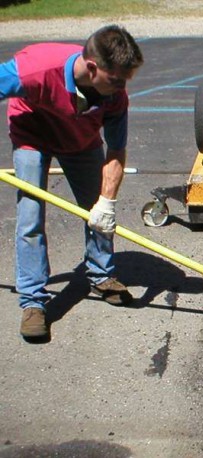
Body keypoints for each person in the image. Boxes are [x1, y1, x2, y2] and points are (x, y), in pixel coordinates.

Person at [0, 25, 144, 340]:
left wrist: (107, 203)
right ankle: (34, 302)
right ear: (92, 68)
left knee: (97, 209)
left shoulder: (115, 97)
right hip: (32, 135)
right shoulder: (35, 69)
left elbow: (116, 151)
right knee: (30, 217)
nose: (122, 87)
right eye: (116, 79)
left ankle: (101, 274)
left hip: (81, 139)